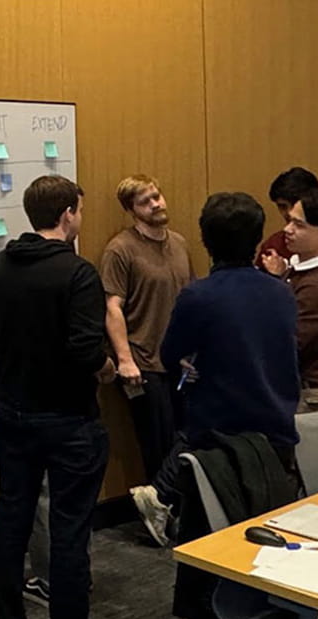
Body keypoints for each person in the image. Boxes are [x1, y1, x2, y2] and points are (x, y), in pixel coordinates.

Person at [0, 174, 120, 619]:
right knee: (70, 535)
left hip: (13, 416)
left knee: (10, 522)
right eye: (79, 211)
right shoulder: (77, 273)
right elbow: (85, 348)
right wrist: (107, 368)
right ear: (66, 215)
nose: (81, 218)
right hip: (69, 422)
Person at [152, 191, 300, 507]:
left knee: (211, 539)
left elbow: (169, 355)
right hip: (276, 434)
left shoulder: (198, 296)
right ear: (258, 237)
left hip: (217, 441)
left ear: (205, 239)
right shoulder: (282, 292)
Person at [100, 175, 193, 546]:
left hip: (181, 362)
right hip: (143, 363)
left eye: (157, 195)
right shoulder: (120, 250)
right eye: (146, 201)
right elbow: (112, 308)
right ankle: (160, 517)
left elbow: (191, 299)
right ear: (131, 210)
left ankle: (183, 512)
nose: (157, 203)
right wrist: (124, 359)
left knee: (188, 441)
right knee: (157, 443)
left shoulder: (181, 244)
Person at [258, 168, 318, 405]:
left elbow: (285, 343)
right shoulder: (299, 270)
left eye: (299, 224)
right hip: (292, 389)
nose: (287, 228)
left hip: (309, 395)